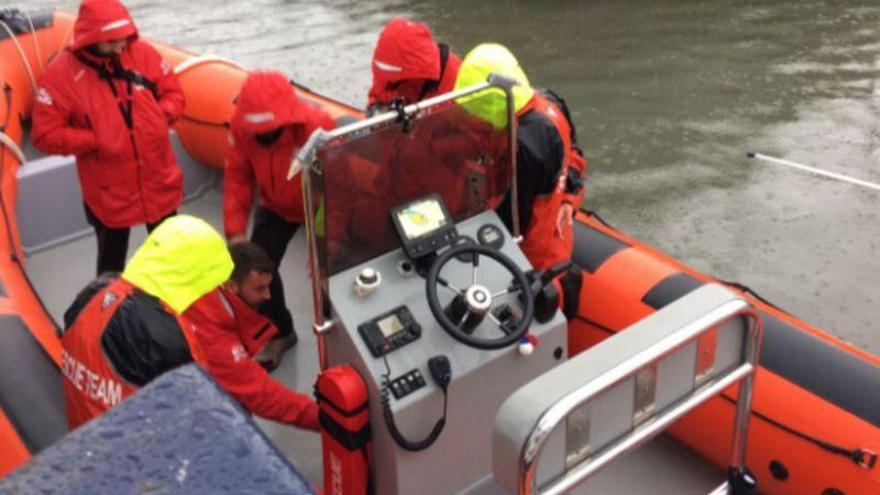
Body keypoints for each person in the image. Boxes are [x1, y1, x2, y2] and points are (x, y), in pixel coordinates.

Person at [32, 0, 185, 275]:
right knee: (111, 266)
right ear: (92, 39)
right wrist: (94, 139)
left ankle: (174, 309)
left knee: (172, 257)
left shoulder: (143, 54)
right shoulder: (61, 76)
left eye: (124, 38)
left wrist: (159, 117)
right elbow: (44, 134)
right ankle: (105, 312)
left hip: (157, 180)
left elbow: (174, 93)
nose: (121, 47)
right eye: (112, 41)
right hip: (109, 192)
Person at [60, 215, 233, 429]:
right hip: (132, 449)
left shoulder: (93, 292)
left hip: (82, 431)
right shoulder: (168, 339)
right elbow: (195, 413)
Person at [454, 43, 586, 317]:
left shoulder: (523, 147)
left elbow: (506, 223)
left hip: (530, 263)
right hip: (556, 237)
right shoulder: (550, 103)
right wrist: (570, 199)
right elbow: (573, 156)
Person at [224, 70, 335, 370]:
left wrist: (328, 234)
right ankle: (282, 332)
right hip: (275, 206)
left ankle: (337, 333)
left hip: (319, 206)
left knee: (330, 271)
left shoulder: (317, 126)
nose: (264, 138)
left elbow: (339, 180)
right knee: (260, 270)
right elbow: (238, 177)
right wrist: (234, 232)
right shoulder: (242, 127)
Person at [183, 242, 319, 430]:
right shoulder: (214, 337)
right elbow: (259, 394)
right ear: (231, 286)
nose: (268, 296)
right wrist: (325, 420)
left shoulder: (212, 298)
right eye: (259, 288)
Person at [367, 17, 461, 114]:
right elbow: (377, 95)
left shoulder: (456, 79)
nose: (389, 81)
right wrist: (377, 109)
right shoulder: (387, 68)